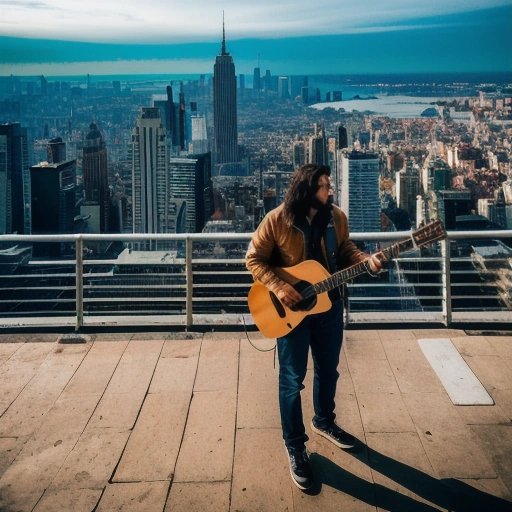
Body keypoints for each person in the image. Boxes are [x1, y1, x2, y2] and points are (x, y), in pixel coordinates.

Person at [245, 163, 382, 490]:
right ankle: (295, 444)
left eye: (329, 185)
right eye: (323, 186)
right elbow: (254, 259)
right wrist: (279, 288)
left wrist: (366, 260)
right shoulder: (277, 220)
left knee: (328, 370)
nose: (329, 191)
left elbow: (345, 250)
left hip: (329, 306)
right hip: (290, 312)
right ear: (307, 189)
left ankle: (324, 421)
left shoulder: (336, 217)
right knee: (291, 380)